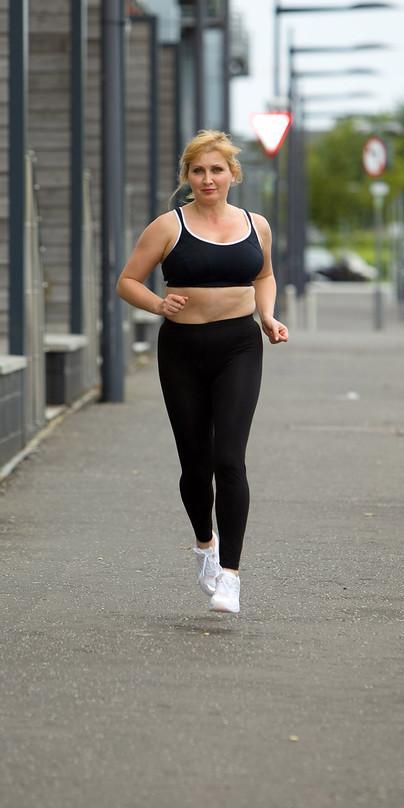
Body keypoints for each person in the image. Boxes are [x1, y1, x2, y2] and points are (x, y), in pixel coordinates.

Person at [116, 129, 288, 614]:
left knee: (229, 459)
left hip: (238, 347)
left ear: (233, 174)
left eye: (217, 170)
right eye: (198, 171)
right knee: (195, 464)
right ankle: (205, 547)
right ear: (187, 177)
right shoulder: (168, 227)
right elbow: (127, 281)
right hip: (183, 350)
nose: (208, 179)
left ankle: (230, 576)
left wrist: (268, 316)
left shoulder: (257, 225)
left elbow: (264, 275)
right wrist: (157, 303)